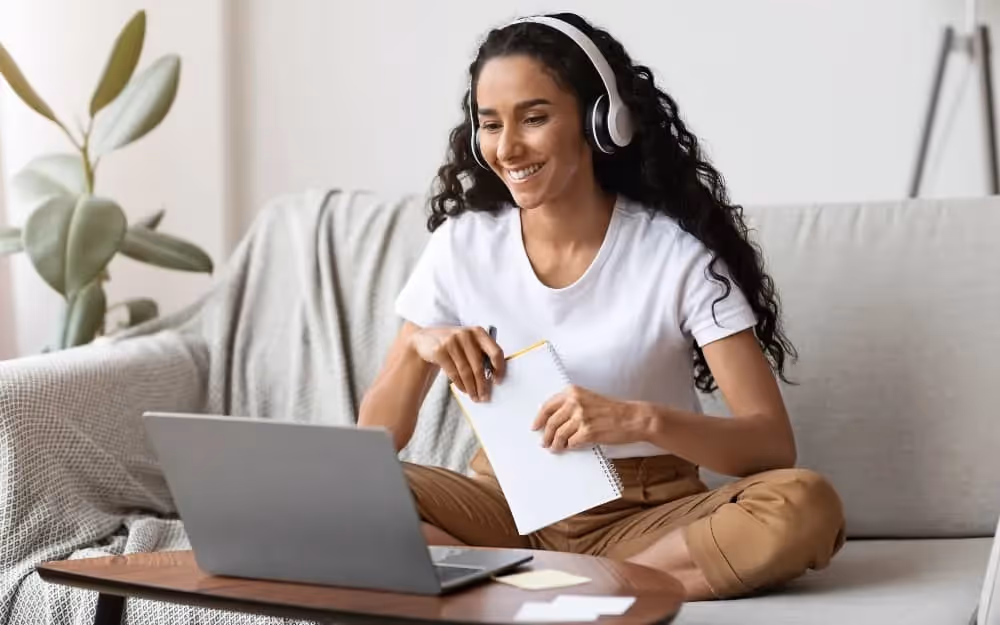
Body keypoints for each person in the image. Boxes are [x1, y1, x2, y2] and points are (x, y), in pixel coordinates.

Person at [358, 12, 845, 601]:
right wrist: (418, 346)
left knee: (803, 504)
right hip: (504, 501)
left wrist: (641, 420)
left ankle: (521, 586)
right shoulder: (462, 244)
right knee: (343, 490)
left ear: (601, 123)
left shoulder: (674, 257)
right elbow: (374, 441)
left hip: (642, 514)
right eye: (490, 124)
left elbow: (771, 446)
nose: (507, 147)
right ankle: (558, 585)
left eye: (534, 118)